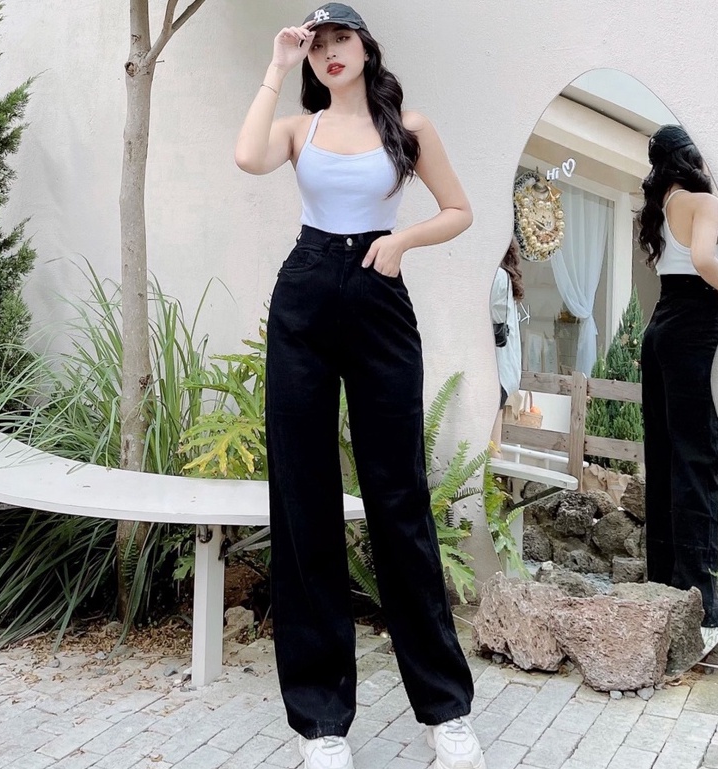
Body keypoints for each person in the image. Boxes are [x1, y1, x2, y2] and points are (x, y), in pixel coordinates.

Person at [235, 5, 485, 768]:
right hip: (306, 290)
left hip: (378, 294)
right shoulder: (297, 129)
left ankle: (445, 712)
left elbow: (459, 210)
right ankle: (320, 724)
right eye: (317, 45)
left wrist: (401, 239)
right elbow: (246, 157)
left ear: (366, 47)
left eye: (339, 39)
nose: (329, 53)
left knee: (398, 496)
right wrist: (276, 63)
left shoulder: (408, 126)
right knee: (303, 499)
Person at [637, 124, 718, 653]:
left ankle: (667, 582)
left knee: (666, 455)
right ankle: (701, 599)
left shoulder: (661, 206)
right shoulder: (703, 202)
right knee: (698, 458)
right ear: (692, 158)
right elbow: (707, 262)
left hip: (662, 325)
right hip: (697, 328)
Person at [489, 237, 524, 457]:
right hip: (502, 371)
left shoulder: (498, 276)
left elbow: (495, 319)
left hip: (496, 369)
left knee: (491, 448)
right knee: (493, 445)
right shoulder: (505, 277)